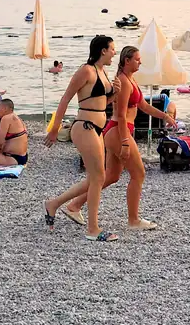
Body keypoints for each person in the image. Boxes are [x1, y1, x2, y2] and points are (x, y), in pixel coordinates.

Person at [64, 46, 175, 232]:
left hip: (118, 132)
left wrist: (165, 116)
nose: (140, 62)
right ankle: (133, 220)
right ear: (127, 61)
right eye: (137, 59)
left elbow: (144, 106)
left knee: (111, 176)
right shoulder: (123, 82)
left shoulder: (132, 80)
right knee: (138, 174)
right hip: (118, 131)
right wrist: (125, 141)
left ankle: (74, 205)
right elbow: (121, 115)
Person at [44, 35, 119, 242]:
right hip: (84, 127)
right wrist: (54, 128)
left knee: (96, 177)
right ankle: (93, 229)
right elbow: (66, 98)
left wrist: (114, 95)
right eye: (112, 49)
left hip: (96, 127)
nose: (114, 52)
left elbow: (100, 102)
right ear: (103, 50)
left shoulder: (103, 72)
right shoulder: (86, 70)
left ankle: (54, 204)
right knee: (98, 177)